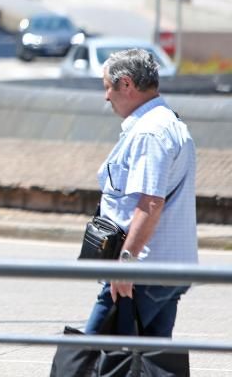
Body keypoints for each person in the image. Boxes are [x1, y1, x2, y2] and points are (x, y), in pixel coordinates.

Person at [84, 48, 197, 337]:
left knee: (95, 355)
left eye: (108, 87)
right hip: (161, 269)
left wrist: (126, 265)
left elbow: (150, 204)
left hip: (143, 271)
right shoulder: (166, 122)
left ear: (126, 84)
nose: (106, 96)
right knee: (151, 359)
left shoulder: (150, 133)